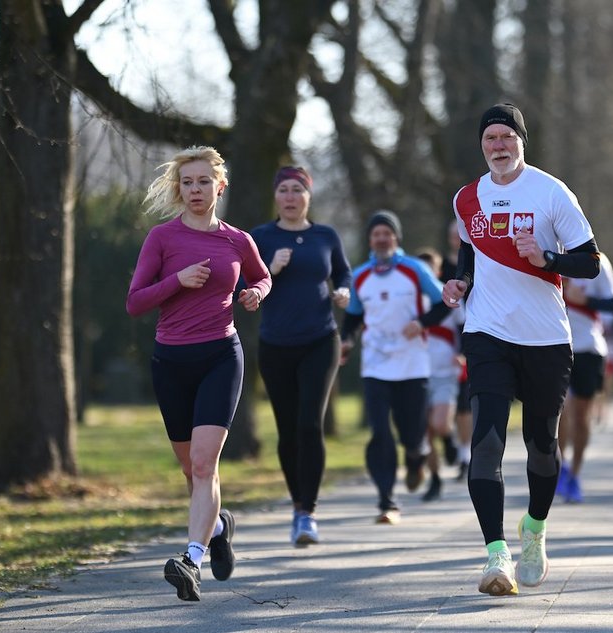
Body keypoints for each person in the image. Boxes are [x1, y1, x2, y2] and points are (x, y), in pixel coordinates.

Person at [443, 103, 600, 596]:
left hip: (546, 339)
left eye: (506, 137)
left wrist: (548, 257)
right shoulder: (467, 198)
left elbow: (590, 264)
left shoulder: (552, 192)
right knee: (487, 442)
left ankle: (533, 529)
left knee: (540, 444)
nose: (498, 147)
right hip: (487, 333)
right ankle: (496, 555)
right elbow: (472, 246)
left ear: (521, 142)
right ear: (481, 145)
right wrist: (461, 281)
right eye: (490, 138)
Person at [126, 146, 272, 602]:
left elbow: (262, 276)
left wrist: (255, 295)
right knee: (193, 473)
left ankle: (191, 559)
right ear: (179, 189)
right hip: (171, 362)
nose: (195, 190)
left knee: (206, 463)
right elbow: (135, 302)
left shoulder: (237, 240)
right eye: (187, 182)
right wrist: (177, 280)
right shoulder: (162, 239)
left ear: (218, 187)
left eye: (203, 182)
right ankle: (219, 525)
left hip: (220, 357)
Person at [250, 166, 352, 546]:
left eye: (298, 190)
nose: (291, 197)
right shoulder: (260, 238)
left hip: (320, 340)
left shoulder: (326, 235)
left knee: (310, 422)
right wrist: (270, 271)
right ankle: (296, 504)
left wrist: (343, 291)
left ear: (309, 197)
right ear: (276, 197)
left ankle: (307, 513)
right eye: (284, 190)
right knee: (287, 428)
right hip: (275, 344)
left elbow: (344, 273)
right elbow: (244, 287)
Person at [340, 210, 448, 524]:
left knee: (412, 434)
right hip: (375, 365)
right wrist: (346, 338)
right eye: (376, 234)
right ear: (370, 240)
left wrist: (422, 322)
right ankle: (386, 500)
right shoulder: (361, 275)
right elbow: (354, 315)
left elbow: (444, 302)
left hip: (413, 365)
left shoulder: (415, 270)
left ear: (396, 238)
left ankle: (415, 458)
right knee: (380, 432)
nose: (382, 239)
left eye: (387, 233)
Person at [556, 253, 613, 503]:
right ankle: (559, 469)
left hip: (588, 349)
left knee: (581, 418)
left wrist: (587, 300)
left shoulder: (596, 261)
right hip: (554, 345)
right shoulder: (542, 254)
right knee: (557, 411)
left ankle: (575, 472)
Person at [416, 248, 465, 501]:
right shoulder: (411, 299)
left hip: (445, 370)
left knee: (440, 423)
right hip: (417, 373)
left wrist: (463, 353)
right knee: (425, 431)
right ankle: (434, 479)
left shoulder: (450, 297)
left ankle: (450, 440)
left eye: (429, 269)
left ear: (437, 271)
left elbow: (463, 327)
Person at [441, 220, 472, 478]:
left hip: (469, 339)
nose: (456, 239)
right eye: (452, 235)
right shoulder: (441, 269)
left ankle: (466, 455)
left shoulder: (476, 264)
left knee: (464, 405)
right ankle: (450, 442)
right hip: (441, 345)